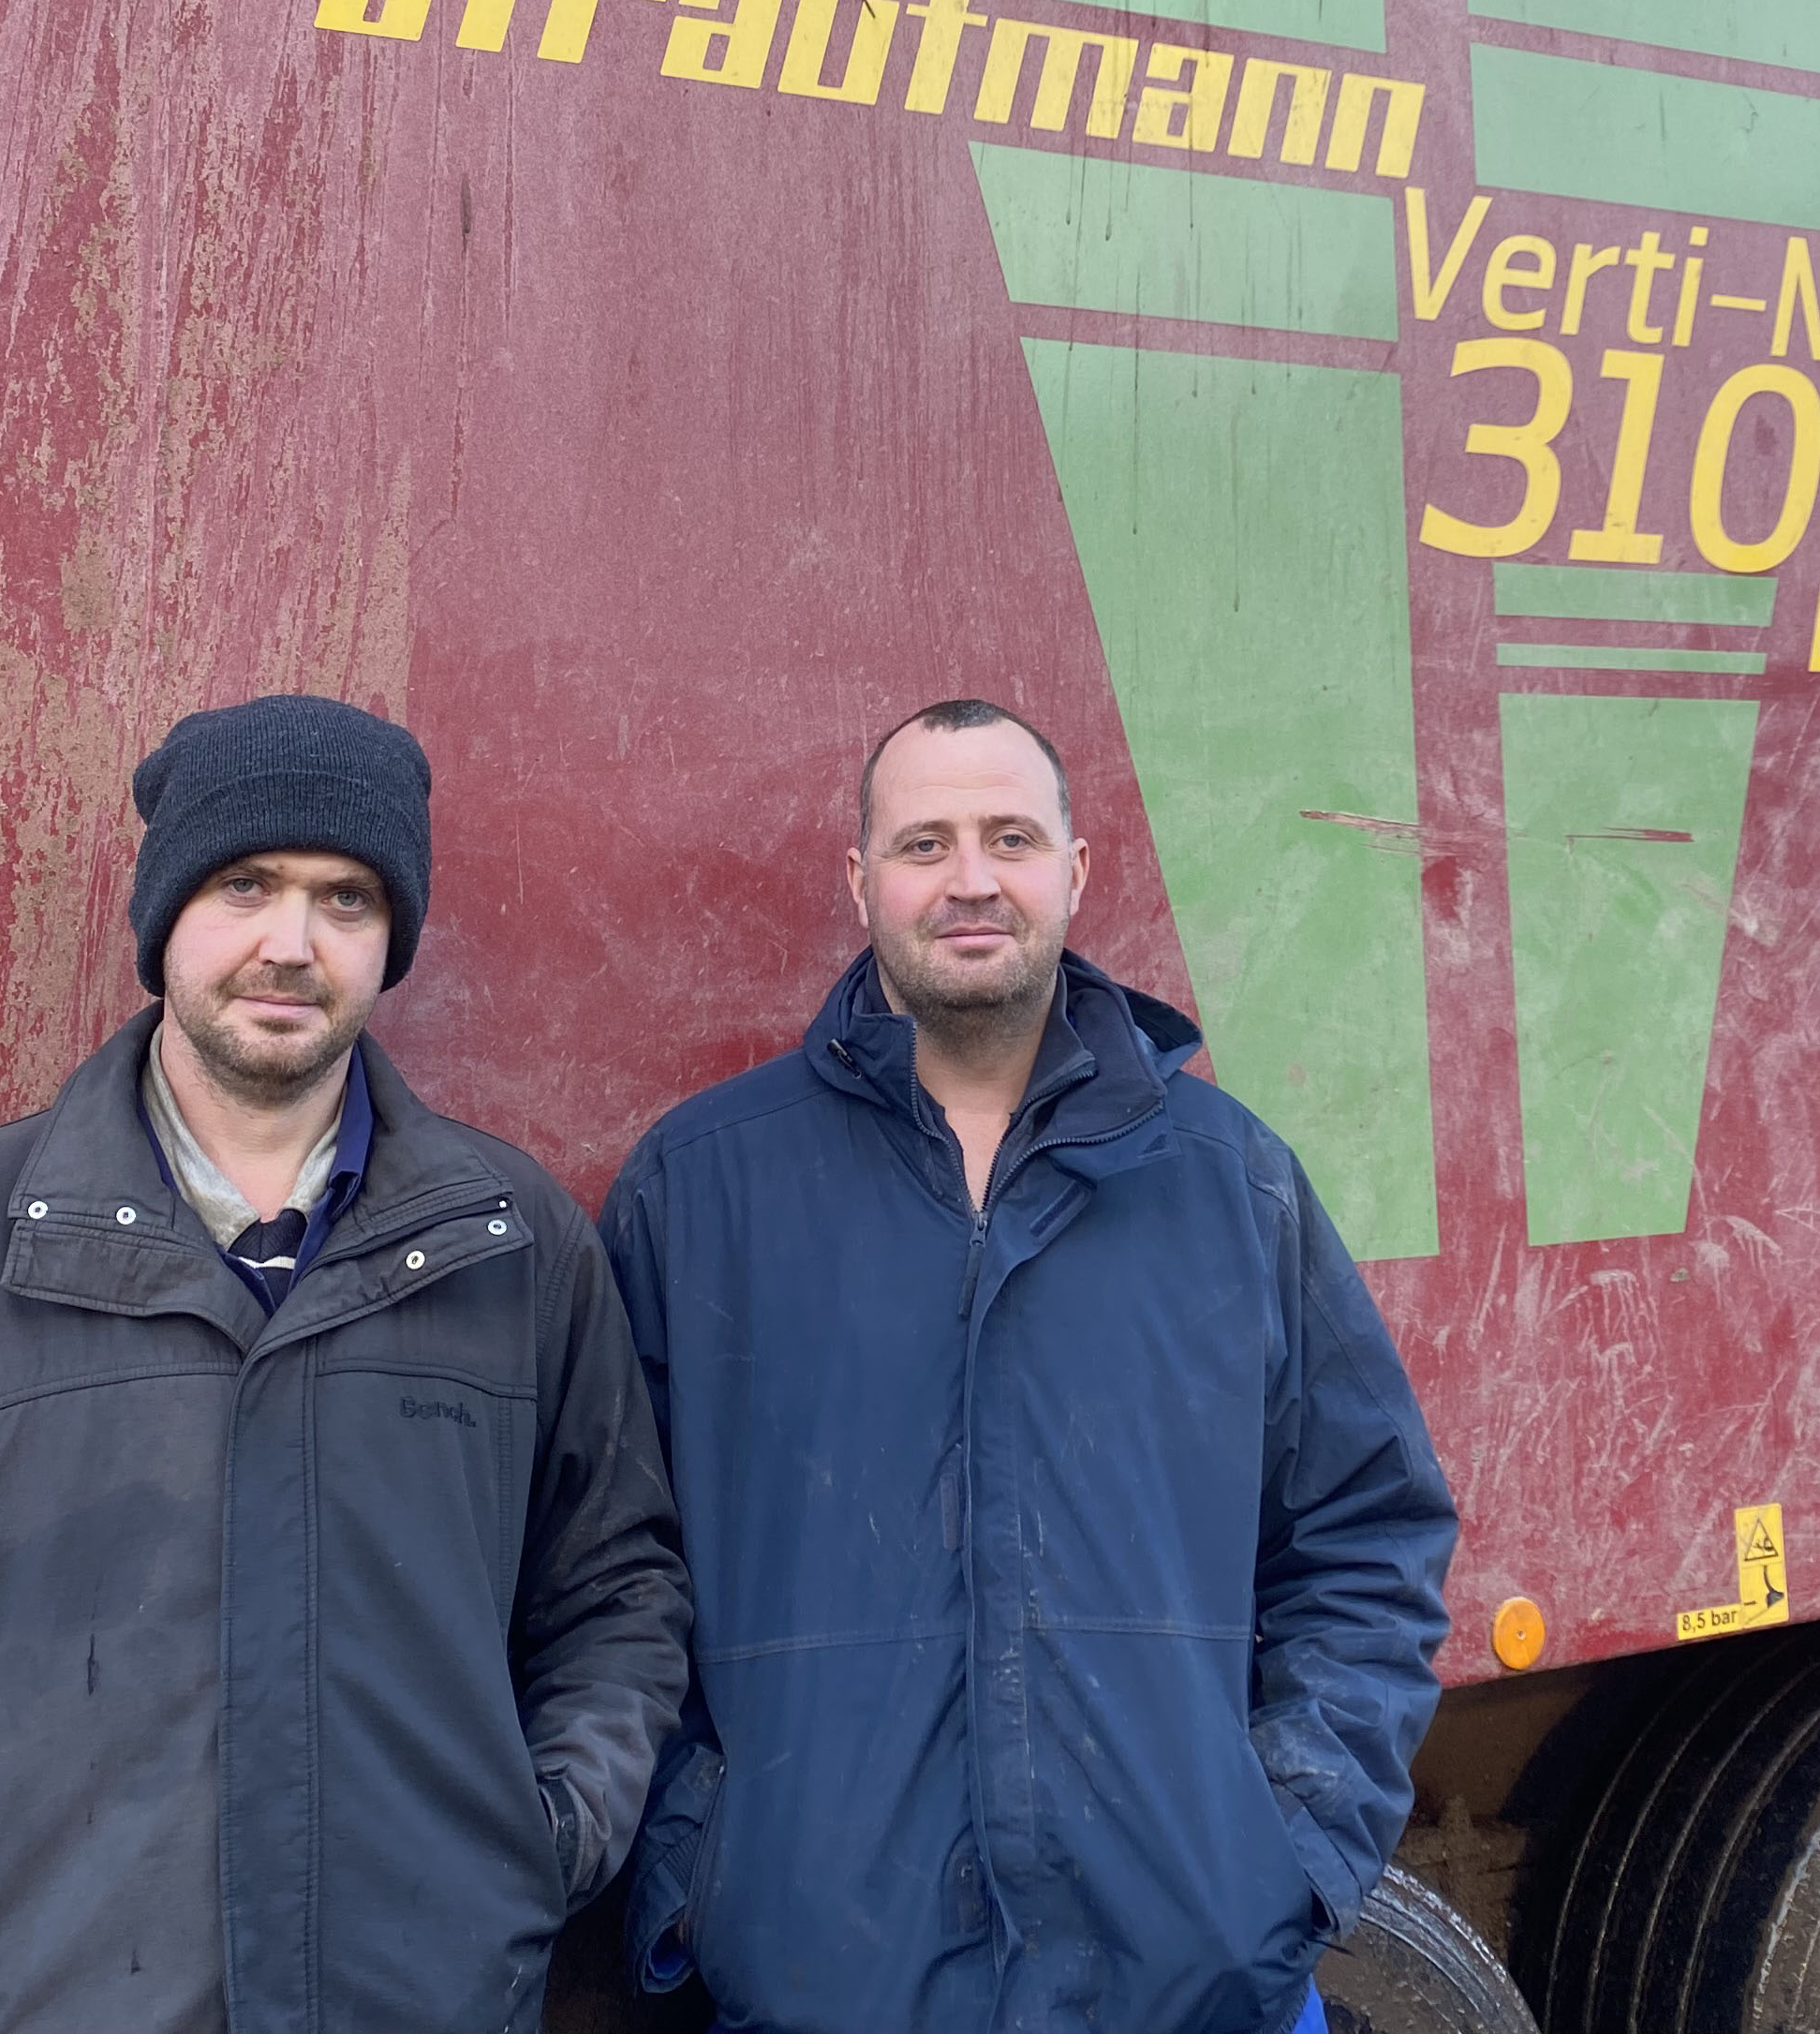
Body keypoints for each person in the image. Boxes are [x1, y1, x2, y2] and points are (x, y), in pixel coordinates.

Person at [0, 693, 688, 2034]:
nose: (291, 943)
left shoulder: (510, 1244)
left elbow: (617, 1599)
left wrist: (534, 1844)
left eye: (348, 898)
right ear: (165, 915)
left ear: (394, 939)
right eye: (245, 883)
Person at [601, 697, 1457, 2034]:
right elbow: (609, 1573)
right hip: (830, 1993)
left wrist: (1283, 1865)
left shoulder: (1231, 1184)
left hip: (1187, 1990)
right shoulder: (702, 1189)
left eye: (1010, 835)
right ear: (861, 880)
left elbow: (1368, 1535)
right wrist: (703, 1869)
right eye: (924, 843)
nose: (971, 880)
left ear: (1075, 867)